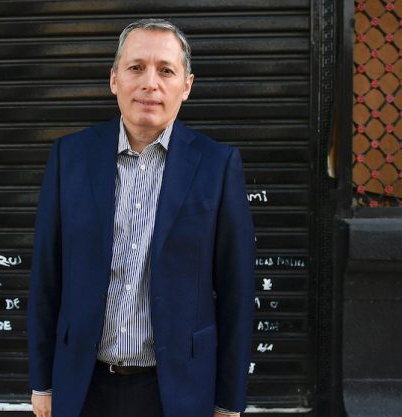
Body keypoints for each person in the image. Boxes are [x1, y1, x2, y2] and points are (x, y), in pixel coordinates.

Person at [28, 18, 255, 417]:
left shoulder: (217, 166)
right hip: (82, 384)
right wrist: (41, 382)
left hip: (178, 389)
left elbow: (236, 291)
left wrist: (228, 401)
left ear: (186, 86)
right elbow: (47, 276)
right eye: (136, 68)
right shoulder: (70, 157)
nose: (150, 83)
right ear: (114, 79)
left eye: (166, 70)